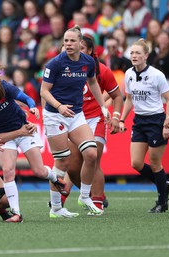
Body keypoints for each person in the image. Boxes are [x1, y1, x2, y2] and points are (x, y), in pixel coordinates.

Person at [0, 58, 73, 222]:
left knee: (39, 171)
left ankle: (54, 178)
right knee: (8, 172)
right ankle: (16, 213)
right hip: (6, 137)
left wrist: (32, 107)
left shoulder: (3, 87)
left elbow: (26, 98)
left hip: (25, 131)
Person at [39, 25, 110, 216]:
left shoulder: (88, 62)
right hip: (55, 115)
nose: (68, 44)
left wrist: (103, 106)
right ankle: (56, 208)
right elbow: (43, 91)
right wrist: (59, 106)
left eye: (72, 40)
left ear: (80, 43)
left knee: (91, 154)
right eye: (66, 40)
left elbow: (93, 82)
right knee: (62, 162)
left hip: (76, 114)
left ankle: (84, 197)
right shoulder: (55, 64)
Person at [58, 36, 123, 215]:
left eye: (82, 46)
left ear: (89, 51)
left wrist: (116, 116)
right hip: (75, 119)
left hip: (96, 119)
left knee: (92, 158)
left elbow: (118, 96)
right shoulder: (63, 68)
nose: (74, 48)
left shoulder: (102, 70)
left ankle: (96, 201)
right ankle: (97, 194)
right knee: (72, 166)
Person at [119, 39, 169, 213]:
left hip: (156, 120)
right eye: (132, 53)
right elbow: (129, 99)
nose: (134, 56)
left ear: (146, 56)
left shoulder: (157, 75)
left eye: (137, 53)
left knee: (155, 163)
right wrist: (121, 119)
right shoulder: (128, 74)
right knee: (135, 163)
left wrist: (167, 121)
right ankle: (163, 184)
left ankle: (162, 202)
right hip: (139, 121)